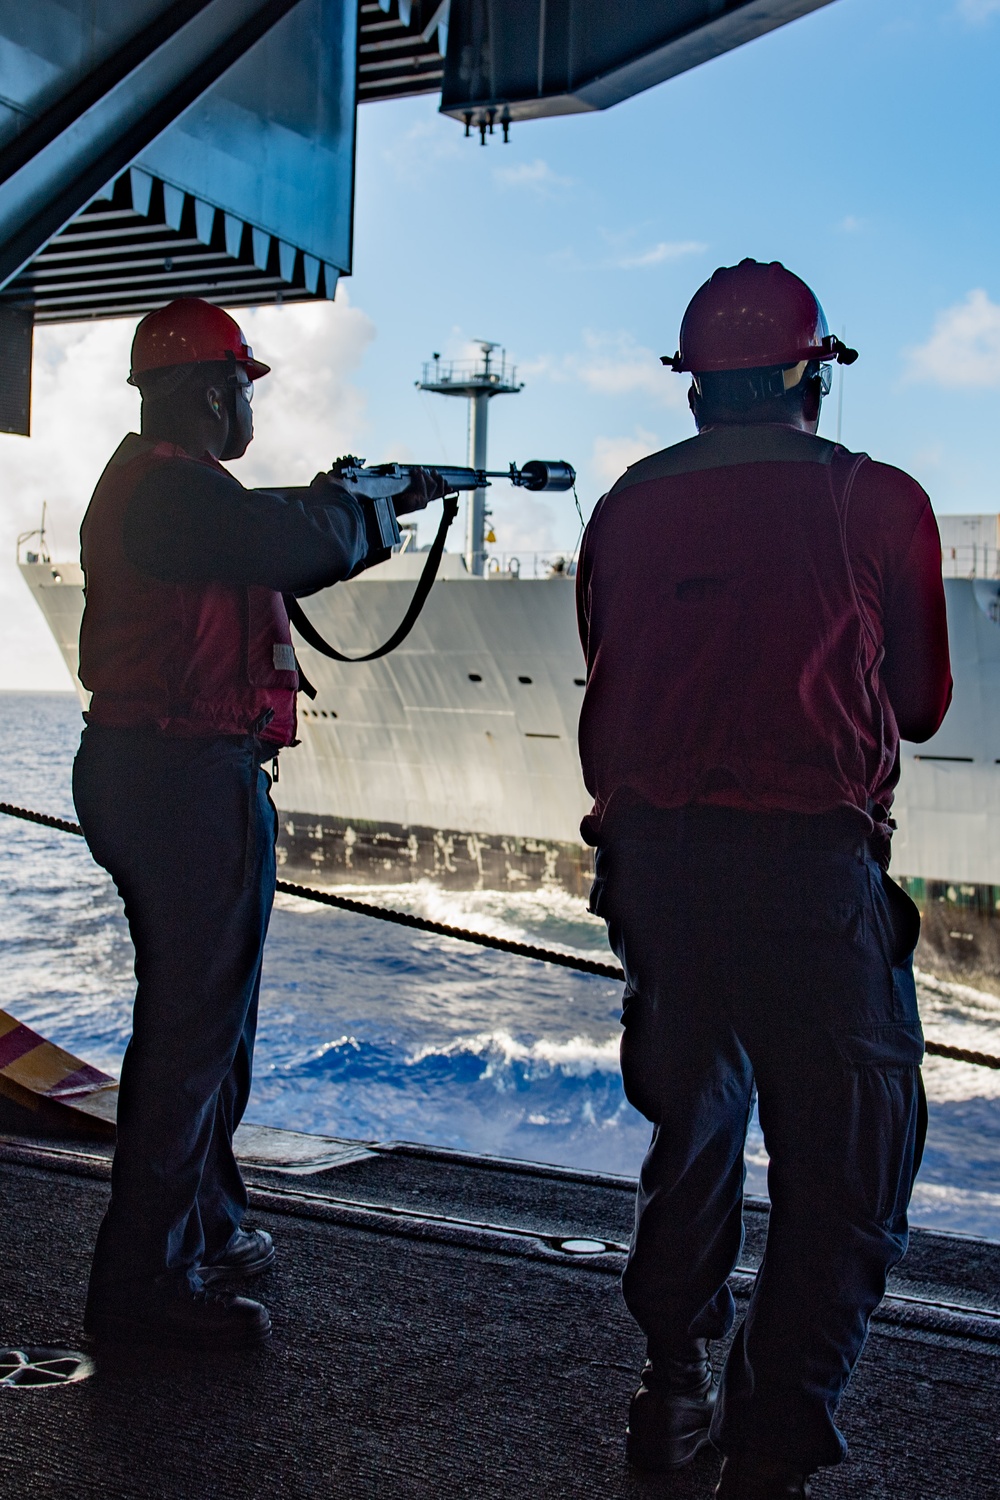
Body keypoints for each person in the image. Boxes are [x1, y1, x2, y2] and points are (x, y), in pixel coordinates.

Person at [575, 260, 952, 1499]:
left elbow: (610, 658)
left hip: (656, 873)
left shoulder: (623, 506)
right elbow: (919, 701)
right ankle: (770, 1454)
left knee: (692, 1119)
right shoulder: (877, 499)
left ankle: (668, 1384)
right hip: (805, 871)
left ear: (696, 392)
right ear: (810, 376)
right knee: (850, 1159)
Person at [74, 297, 442, 1348]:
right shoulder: (171, 495)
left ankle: (206, 1227)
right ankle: (143, 1289)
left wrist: (352, 502)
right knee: (193, 1042)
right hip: (186, 781)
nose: (250, 406)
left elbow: (273, 531)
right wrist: (374, 507)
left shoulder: (171, 491)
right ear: (205, 390)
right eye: (242, 385)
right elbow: (286, 542)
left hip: (170, 774)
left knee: (208, 1032)